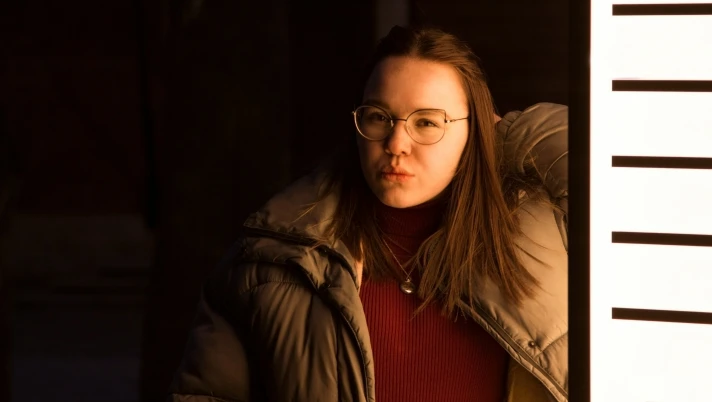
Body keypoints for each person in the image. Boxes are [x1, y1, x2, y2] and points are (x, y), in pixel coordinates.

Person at [166, 26, 568, 402]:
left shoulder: (540, 234)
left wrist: (509, 133)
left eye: (427, 122)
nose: (396, 143)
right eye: (379, 117)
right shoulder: (271, 261)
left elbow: (610, 158)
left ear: (475, 129)